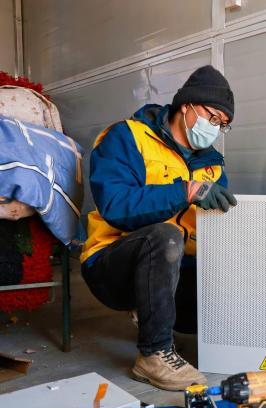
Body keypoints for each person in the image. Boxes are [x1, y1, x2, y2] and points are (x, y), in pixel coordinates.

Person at [79, 65, 237, 390]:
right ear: (187, 106)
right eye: (212, 117)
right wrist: (185, 191)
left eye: (222, 125)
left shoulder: (212, 165)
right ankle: (153, 354)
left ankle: (159, 315)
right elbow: (116, 205)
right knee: (166, 236)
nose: (215, 129)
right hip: (112, 264)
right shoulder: (127, 137)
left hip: (174, 270)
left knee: (224, 285)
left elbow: (217, 228)